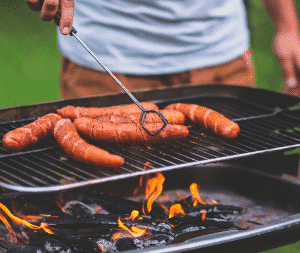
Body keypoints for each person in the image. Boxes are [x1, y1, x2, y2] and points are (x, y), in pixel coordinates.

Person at [25, 0, 300, 99]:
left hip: (222, 61)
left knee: (231, 205)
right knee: (103, 210)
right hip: (103, 68)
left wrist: (287, 25)